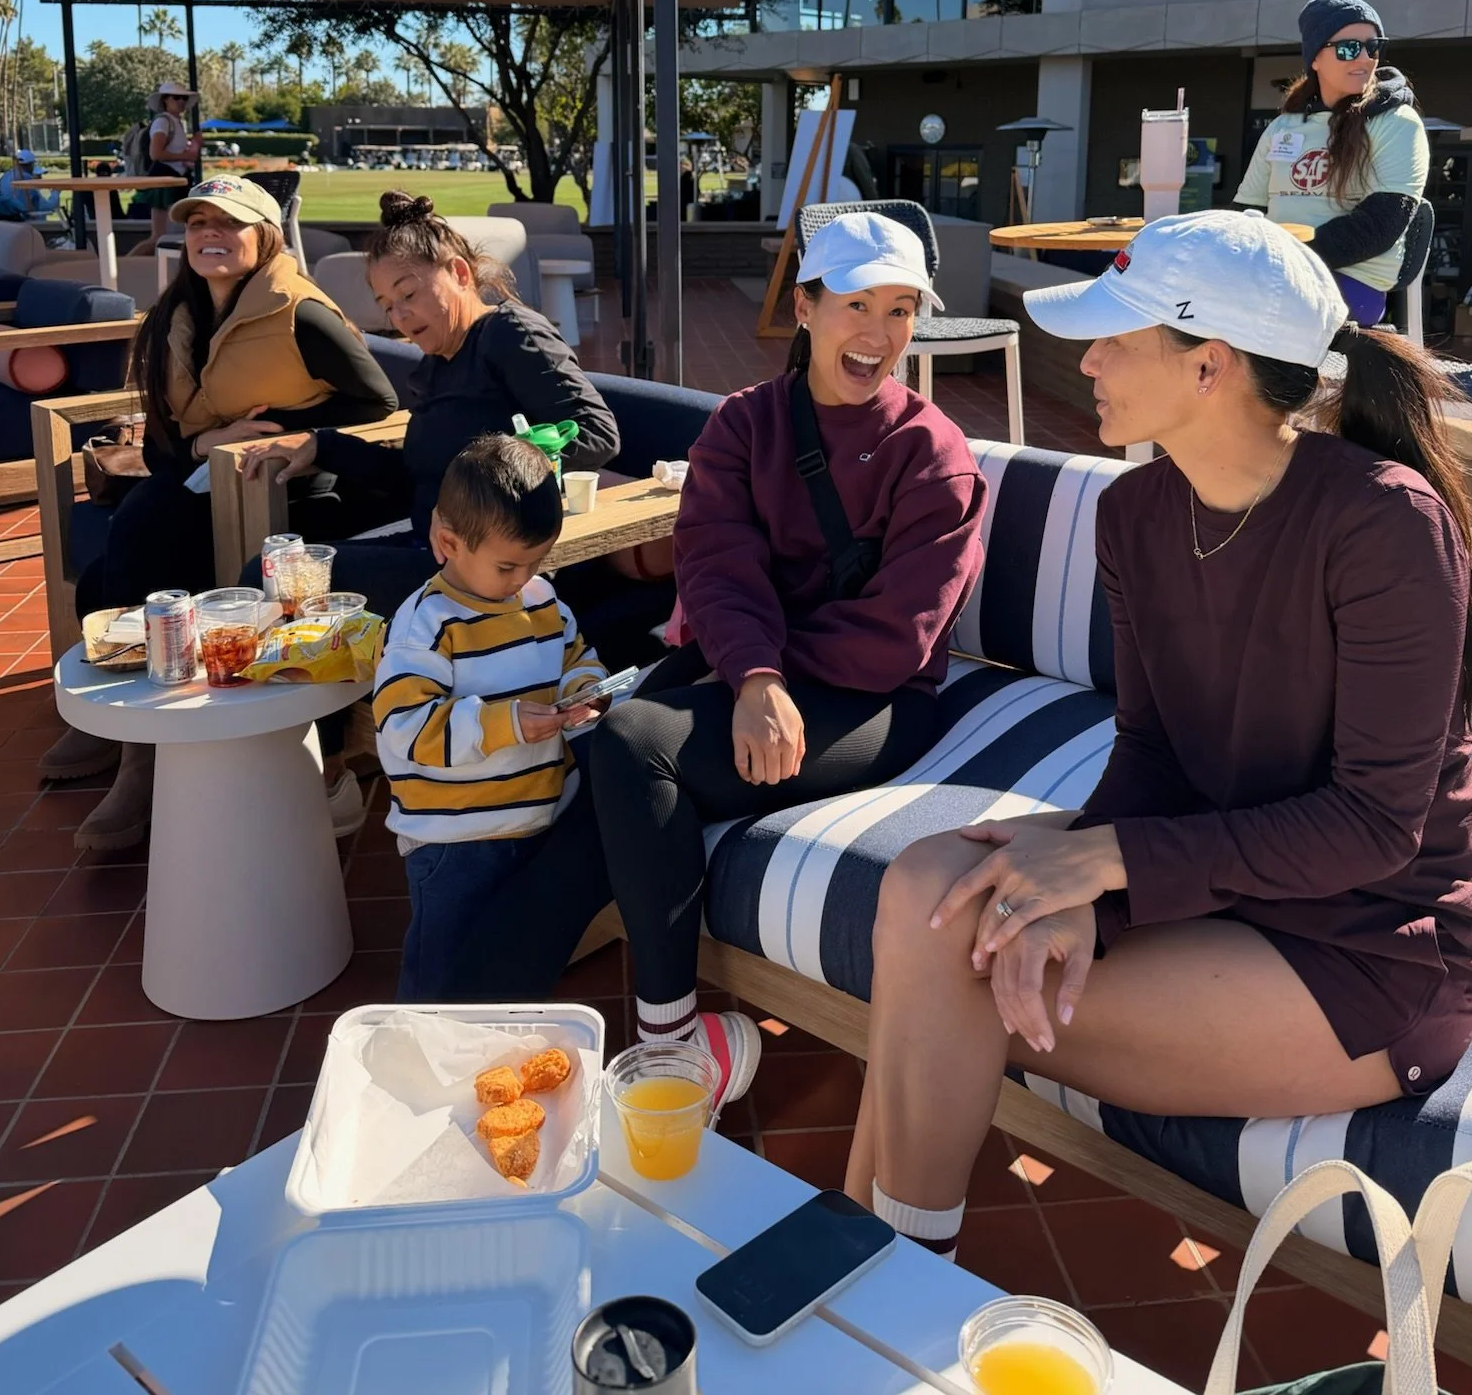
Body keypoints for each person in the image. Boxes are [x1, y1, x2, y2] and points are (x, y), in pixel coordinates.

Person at [846, 211, 1472, 1258]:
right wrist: (1085, 902)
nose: (1087, 359)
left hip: (1368, 948)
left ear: (1212, 365)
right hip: (1219, 887)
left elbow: (1375, 826)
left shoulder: (1383, 520)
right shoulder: (1137, 511)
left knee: (948, 961)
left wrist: (1105, 862)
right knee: (930, 885)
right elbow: (1151, 751)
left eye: (1116, 336)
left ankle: (883, 1273)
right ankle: (870, 1265)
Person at [584, 211, 989, 1108]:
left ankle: (676, 1047)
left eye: (900, 309)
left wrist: (753, 668)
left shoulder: (934, 456)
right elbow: (716, 564)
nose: (878, 334)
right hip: (762, 677)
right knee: (593, 771)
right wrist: (754, 676)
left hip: (874, 699)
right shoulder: (744, 425)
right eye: (855, 304)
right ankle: (460, 1019)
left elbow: (898, 637)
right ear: (805, 306)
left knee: (630, 744)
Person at [44, 175, 399, 850]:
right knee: (110, 573)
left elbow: (379, 403)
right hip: (202, 478)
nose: (211, 234)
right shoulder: (173, 316)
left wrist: (275, 430)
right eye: (198, 223)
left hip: (289, 491)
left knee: (143, 530)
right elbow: (158, 442)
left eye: (229, 224)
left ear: (264, 238)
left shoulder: (302, 312)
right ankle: (133, 737)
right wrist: (204, 442)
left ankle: (139, 756)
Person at [236, 192, 628, 638]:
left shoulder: (509, 333)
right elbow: (414, 476)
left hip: (490, 569)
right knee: (281, 567)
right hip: (432, 549)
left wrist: (479, 489)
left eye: (409, 293)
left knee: (265, 581)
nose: (400, 316)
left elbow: (597, 433)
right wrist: (321, 444)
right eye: (387, 305)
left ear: (459, 273)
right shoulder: (437, 365)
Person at [373, 433, 608, 1000]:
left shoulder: (542, 601)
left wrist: (587, 691)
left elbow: (576, 656)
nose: (523, 579)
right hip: (455, 843)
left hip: (537, 823)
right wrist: (502, 724)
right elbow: (404, 728)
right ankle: (421, 1072)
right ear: (447, 541)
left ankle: (495, 1068)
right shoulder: (424, 627)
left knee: (509, 971)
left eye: (536, 562)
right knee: (442, 982)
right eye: (508, 566)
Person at [1235, 0, 1429, 325]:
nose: (1365, 58)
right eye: (1348, 48)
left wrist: (1284, 261)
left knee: (1230, 314)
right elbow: (1246, 214)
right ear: (1315, 59)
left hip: (1351, 284)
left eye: (1373, 46)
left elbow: (1379, 226)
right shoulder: (1284, 125)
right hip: (1274, 276)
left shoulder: (1397, 122)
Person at [127, 82, 203, 255]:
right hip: (164, 182)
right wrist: (186, 156)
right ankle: (125, 262)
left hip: (175, 180)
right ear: (165, 100)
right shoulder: (162, 122)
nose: (181, 102)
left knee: (165, 236)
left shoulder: (175, 123)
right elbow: (156, 153)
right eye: (176, 97)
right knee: (160, 236)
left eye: (184, 98)